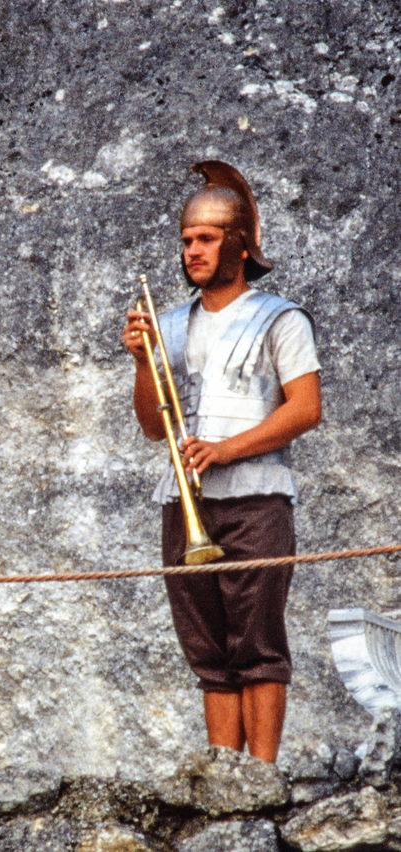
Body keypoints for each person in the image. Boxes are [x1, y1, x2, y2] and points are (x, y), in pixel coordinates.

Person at [123, 161, 321, 763]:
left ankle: (260, 776)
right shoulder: (172, 323)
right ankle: (222, 779)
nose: (193, 250)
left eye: (207, 238)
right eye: (187, 239)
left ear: (239, 243)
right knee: (207, 648)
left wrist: (226, 449)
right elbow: (155, 426)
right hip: (184, 504)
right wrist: (142, 362)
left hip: (257, 496)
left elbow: (306, 408)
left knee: (257, 643)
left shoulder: (280, 316)